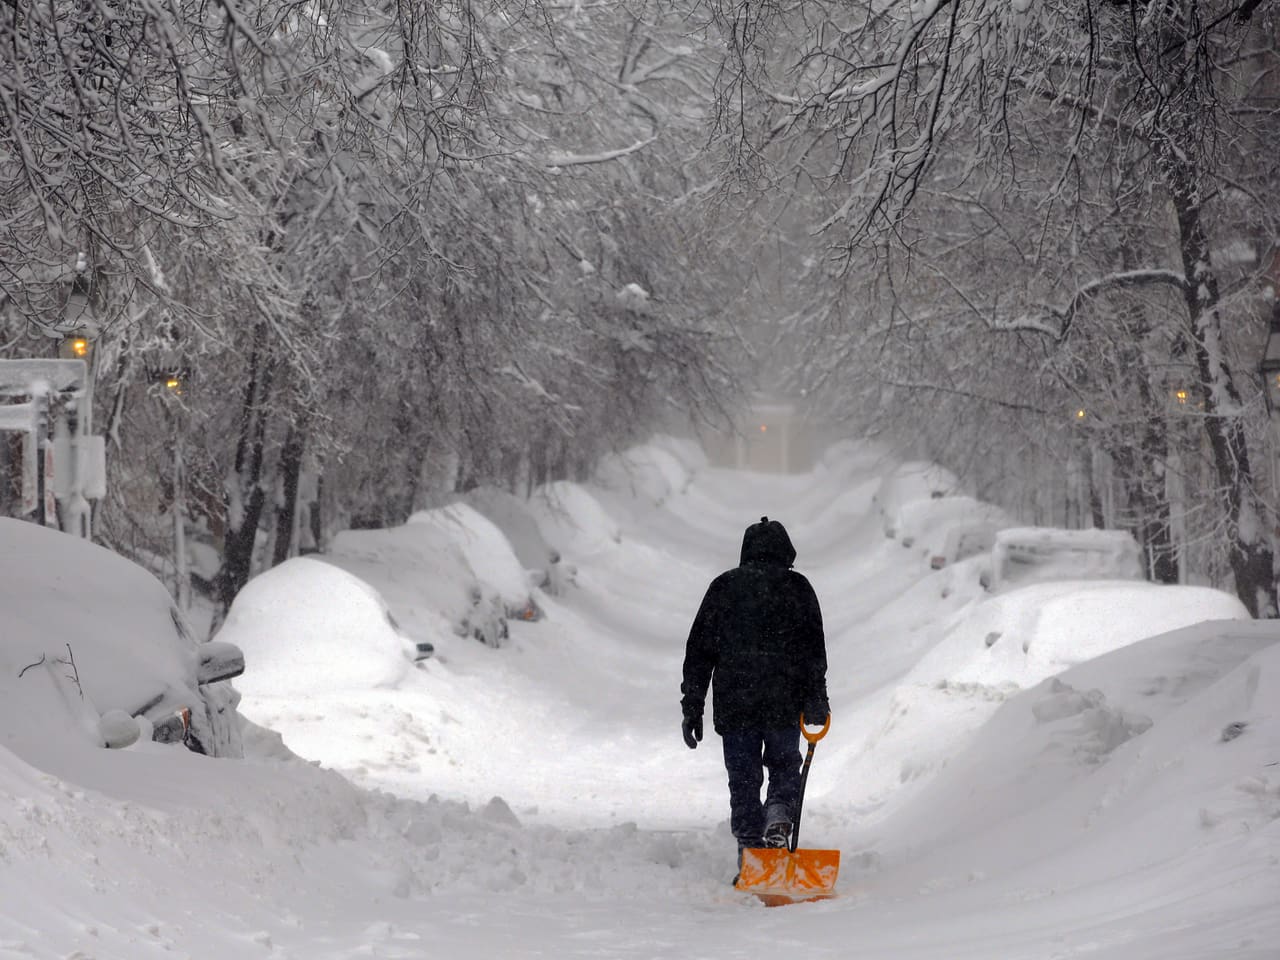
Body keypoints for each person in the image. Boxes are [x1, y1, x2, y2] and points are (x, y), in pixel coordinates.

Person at [680, 515, 829, 866]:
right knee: (783, 766)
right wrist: (816, 698)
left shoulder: (723, 587)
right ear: (785, 552)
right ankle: (778, 813)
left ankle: (749, 853)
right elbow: (813, 652)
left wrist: (693, 704)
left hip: (737, 704)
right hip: (783, 701)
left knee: (743, 779)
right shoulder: (798, 589)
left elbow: (699, 652)